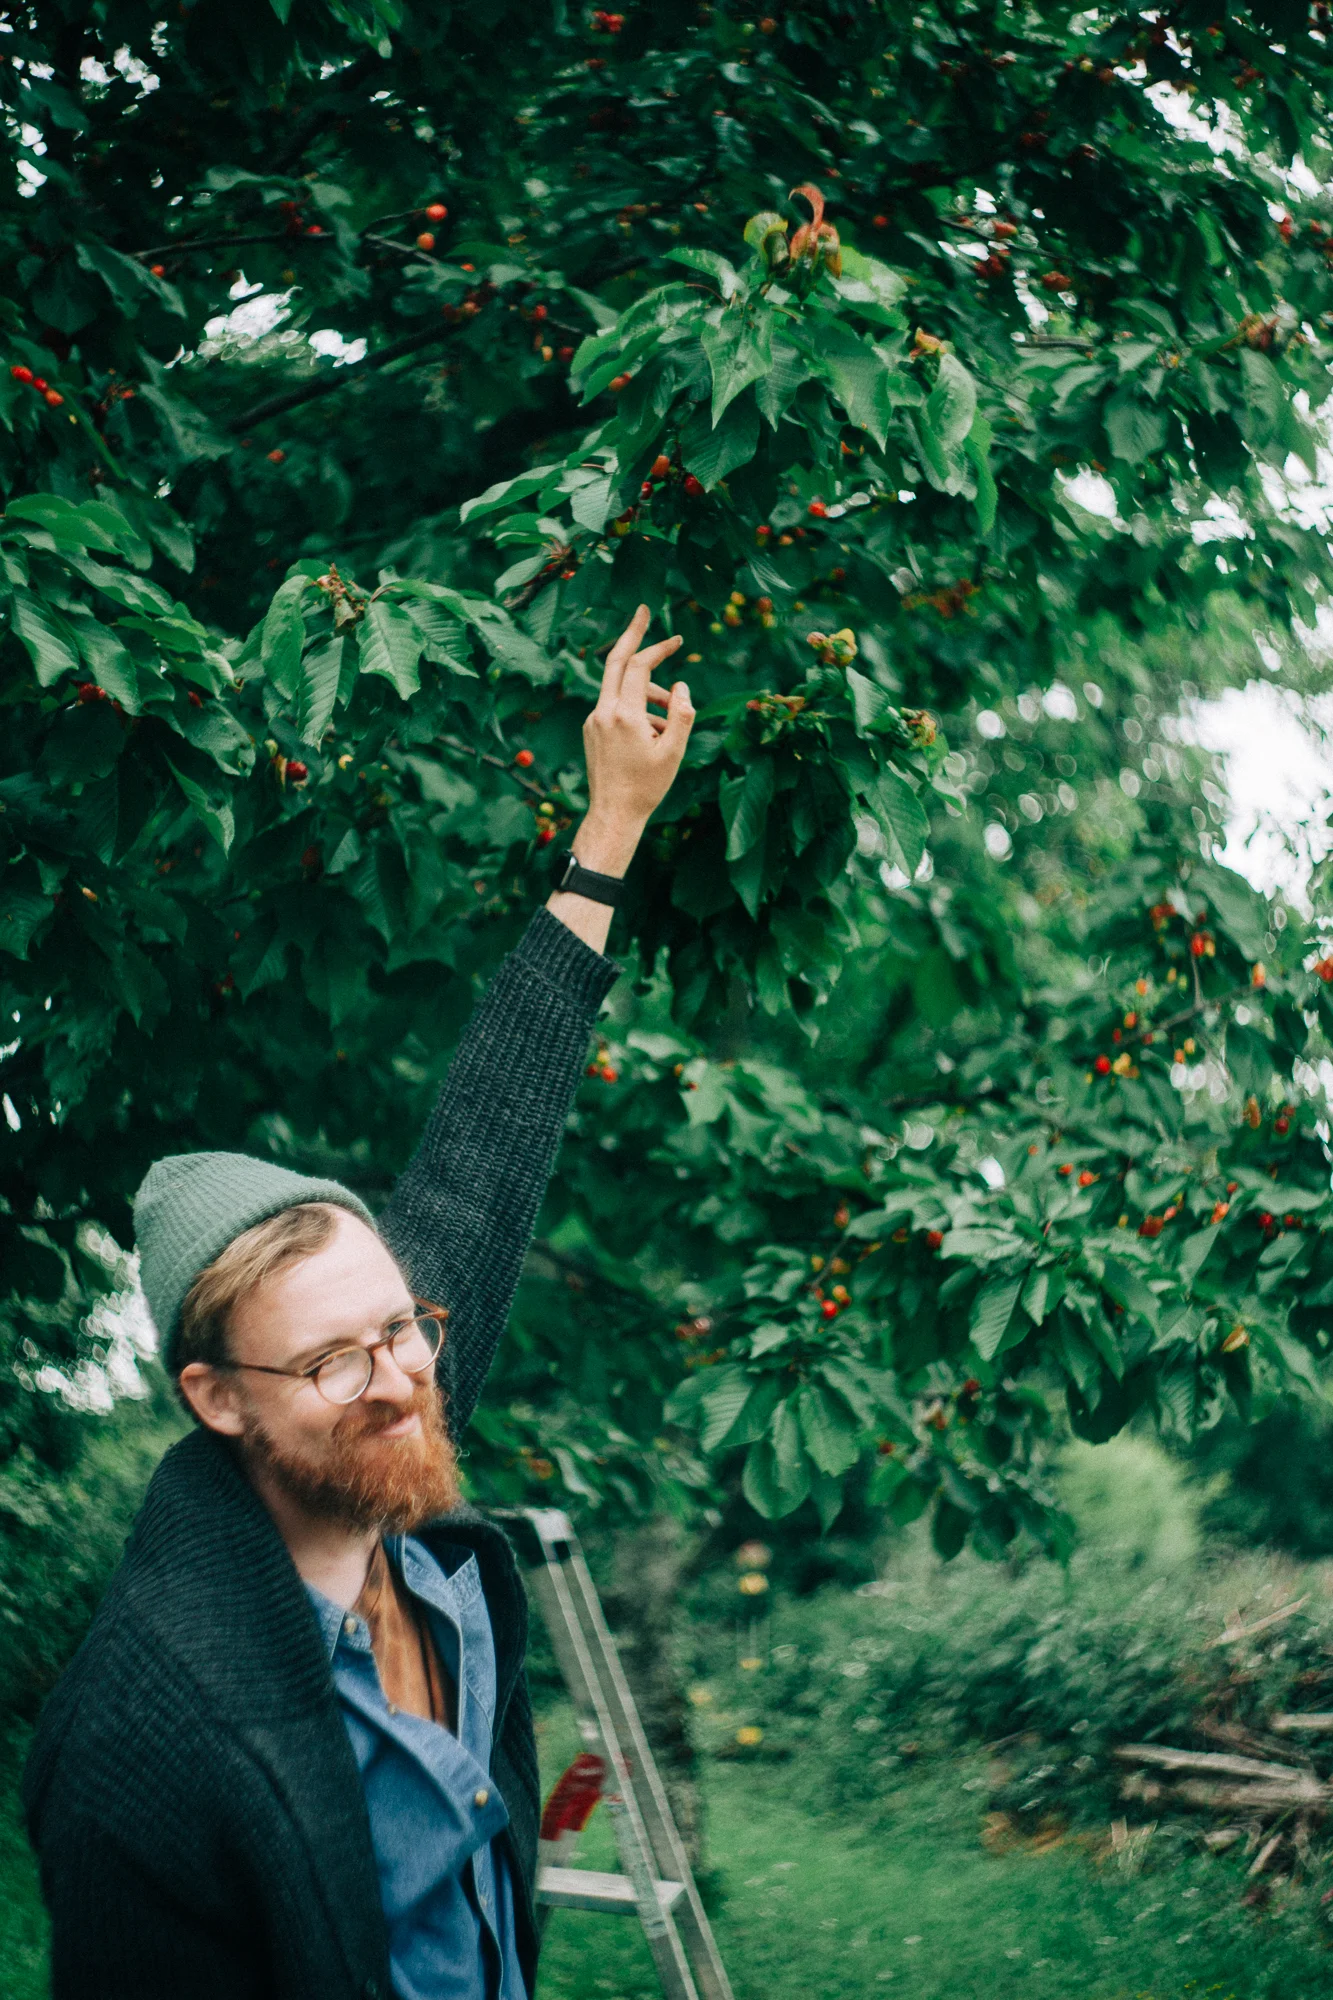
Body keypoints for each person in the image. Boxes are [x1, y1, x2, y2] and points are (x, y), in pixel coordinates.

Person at [22, 608, 694, 2000]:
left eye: (401, 1326)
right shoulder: (143, 1735)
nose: (401, 1377)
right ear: (216, 1397)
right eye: (334, 1358)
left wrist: (612, 825)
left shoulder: (391, 1438)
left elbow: (485, 1151)